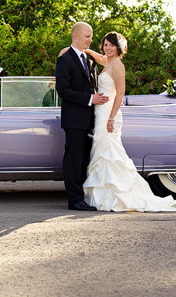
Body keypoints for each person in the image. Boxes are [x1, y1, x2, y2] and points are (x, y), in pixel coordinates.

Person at [82, 32, 176, 212]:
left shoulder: (118, 66)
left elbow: (120, 93)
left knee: (110, 152)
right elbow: (98, 57)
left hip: (109, 113)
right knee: (101, 150)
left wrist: (111, 117)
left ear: (119, 48)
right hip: (100, 112)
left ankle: (115, 194)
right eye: (105, 45)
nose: (107, 48)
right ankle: (105, 192)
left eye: (111, 45)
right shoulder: (108, 62)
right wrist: (82, 49)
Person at [55, 22, 109, 211]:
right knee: (73, 160)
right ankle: (74, 201)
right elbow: (63, 90)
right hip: (74, 120)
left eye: (91, 36)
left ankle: (83, 197)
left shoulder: (88, 58)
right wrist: (90, 98)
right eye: (87, 36)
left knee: (85, 160)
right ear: (75, 36)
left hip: (90, 119)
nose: (91, 40)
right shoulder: (65, 59)